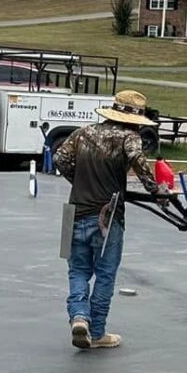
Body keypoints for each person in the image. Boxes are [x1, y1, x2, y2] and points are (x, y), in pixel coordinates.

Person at [54, 89, 169, 350]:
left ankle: (79, 318)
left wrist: (78, 180)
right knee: (105, 274)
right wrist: (156, 191)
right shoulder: (129, 137)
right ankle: (97, 333)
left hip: (74, 212)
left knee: (78, 270)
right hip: (107, 215)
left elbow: (60, 158)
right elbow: (138, 162)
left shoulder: (84, 132)